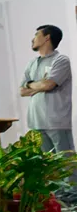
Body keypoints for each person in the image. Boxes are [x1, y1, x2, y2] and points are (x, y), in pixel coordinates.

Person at [21, 25, 74, 160]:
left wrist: (32, 85)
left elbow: (49, 84)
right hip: (36, 122)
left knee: (66, 163)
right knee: (47, 168)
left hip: (57, 122)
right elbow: (22, 91)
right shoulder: (32, 63)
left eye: (36, 35)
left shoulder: (61, 60)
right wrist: (37, 85)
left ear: (47, 37)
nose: (33, 39)